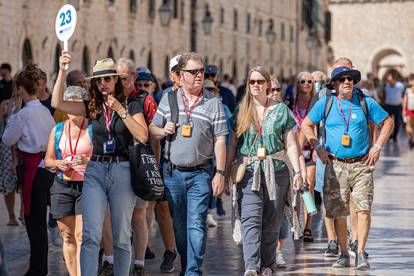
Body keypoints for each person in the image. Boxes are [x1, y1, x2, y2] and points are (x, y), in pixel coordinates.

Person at [51, 52, 148, 276]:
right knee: (90, 234)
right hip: (94, 169)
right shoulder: (91, 106)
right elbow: (58, 102)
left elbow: (142, 136)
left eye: (107, 79)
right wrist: (62, 70)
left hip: (122, 169)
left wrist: (121, 111)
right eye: (98, 80)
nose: (103, 84)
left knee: (122, 236)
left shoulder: (132, 104)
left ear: (116, 80)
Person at [302, 65, 393, 270]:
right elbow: (306, 124)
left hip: (361, 164)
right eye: (342, 79)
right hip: (335, 165)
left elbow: (387, 122)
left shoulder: (365, 102)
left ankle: (360, 251)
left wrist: (377, 146)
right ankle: (343, 252)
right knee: (338, 212)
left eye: (351, 79)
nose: (347, 82)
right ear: (334, 84)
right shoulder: (325, 103)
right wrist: (317, 146)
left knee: (363, 209)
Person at [149, 52, 228, 275]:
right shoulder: (169, 99)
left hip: (201, 173)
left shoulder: (213, 102)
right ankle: (187, 265)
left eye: (201, 71)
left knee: (196, 223)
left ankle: (193, 271)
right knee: (180, 229)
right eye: (193, 72)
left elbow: (221, 138)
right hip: (172, 173)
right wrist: (162, 130)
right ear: (181, 75)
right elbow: (152, 129)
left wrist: (220, 172)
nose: (198, 75)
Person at [225, 66, 304, 276]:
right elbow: (232, 144)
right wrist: (224, 174)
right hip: (248, 170)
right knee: (250, 219)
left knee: (271, 222)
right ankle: (251, 266)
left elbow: (292, 145)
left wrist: (297, 172)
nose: (256, 85)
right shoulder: (242, 109)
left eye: (260, 81)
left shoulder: (281, 111)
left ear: (268, 84)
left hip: (276, 170)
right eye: (252, 82)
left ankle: (266, 264)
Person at [2, 64, 56, 276]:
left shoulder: (23, 114)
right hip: (48, 167)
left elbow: (7, 139)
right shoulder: (44, 111)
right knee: (40, 222)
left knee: (34, 223)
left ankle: (37, 269)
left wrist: (15, 112)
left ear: (21, 89)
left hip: (33, 168)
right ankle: (39, 267)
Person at [44, 86, 91, 276]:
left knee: (81, 236)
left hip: (86, 187)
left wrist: (87, 160)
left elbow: (102, 159)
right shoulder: (57, 129)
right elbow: (47, 160)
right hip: (62, 185)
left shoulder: (93, 129)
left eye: (76, 104)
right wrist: (58, 163)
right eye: (68, 104)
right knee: (67, 236)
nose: (72, 109)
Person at [311, 70, 339, 257]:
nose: (316, 84)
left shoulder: (361, 98)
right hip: (322, 154)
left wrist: (374, 147)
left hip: (350, 157)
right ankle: (331, 239)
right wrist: (316, 146)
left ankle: (349, 238)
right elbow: (311, 123)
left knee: (347, 200)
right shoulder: (323, 99)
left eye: (320, 81)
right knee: (322, 195)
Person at [292, 72, 317, 242]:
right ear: (297, 84)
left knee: (308, 185)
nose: (306, 84)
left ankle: (308, 226)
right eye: (303, 81)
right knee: (296, 188)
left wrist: (317, 147)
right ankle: (297, 224)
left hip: (310, 150)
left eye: (310, 81)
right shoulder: (290, 104)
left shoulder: (316, 104)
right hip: (294, 152)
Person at [0, 86, 20, 226]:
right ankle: (12, 216)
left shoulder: (30, 104)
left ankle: (23, 213)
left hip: (25, 145)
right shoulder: (5, 104)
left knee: (24, 181)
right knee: (9, 182)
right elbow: (1, 128)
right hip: (7, 148)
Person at [383, 71, 405, 142]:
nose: (389, 82)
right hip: (388, 106)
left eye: (390, 80)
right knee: (387, 122)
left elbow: (403, 95)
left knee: (398, 122)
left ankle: (395, 136)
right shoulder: (387, 85)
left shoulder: (400, 86)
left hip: (397, 106)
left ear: (394, 80)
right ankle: (389, 136)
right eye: (388, 80)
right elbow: (385, 94)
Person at [403, 74, 414, 148]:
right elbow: (405, 100)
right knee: (408, 126)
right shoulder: (407, 90)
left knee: (411, 126)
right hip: (409, 110)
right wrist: (404, 110)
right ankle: (411, 138)